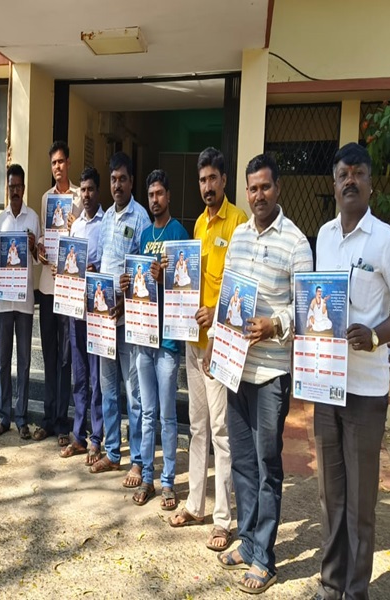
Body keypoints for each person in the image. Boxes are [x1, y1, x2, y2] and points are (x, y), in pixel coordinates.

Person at [313, 143, 390, 600]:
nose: (350, 181)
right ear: (334, 183)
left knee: (360, 503)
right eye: (343, 174)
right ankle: (330, 584)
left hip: (365, 391)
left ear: (371, 183)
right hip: (325, 386)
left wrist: (376, 335)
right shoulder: (323, 236)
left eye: (358, 173)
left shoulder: (385, 240)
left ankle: (355, 592)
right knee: (330, 497)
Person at [203, 154, 313, 594]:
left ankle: (265, 558)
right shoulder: (240, 236)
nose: (258, 195)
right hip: (235, 368)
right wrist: (215, 334)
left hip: (270, 373)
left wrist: (275, 325)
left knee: (268, 463)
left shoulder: (296, 242)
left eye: (265, 187)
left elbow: (305, 307)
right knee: (243, 461)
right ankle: (248, 542)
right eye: (252, 188)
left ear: (278, 189)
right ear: (245, 191)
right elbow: (230, 296)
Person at [172, 147, 247, 554]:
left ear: (224, 180)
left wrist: (216, 317)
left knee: (221, 430)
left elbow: (240, 288)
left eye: (212, 178)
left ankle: (223, 519)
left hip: (221, 343)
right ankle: (195, 505)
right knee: (198, 426)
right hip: (193, 341)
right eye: (202, 180)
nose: (207, 186)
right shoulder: (198, 225)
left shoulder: (239, 224)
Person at [124, 169, 189, 509]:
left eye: (160, 193)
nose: (154, 199)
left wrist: (166, 277)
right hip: (143, 336)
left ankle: (168, 483)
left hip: (167, 341)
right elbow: (138, 282)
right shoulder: (144, 235)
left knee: (167, 416)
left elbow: (187, 285)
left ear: (168, 196)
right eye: (150, 195)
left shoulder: (179, 233)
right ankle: (148, 477)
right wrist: (127, 284)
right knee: (147, 413)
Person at [88, 152, 150, 489]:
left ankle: (138, 460)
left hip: (129, 320)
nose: (117, 185)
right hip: (103, 319)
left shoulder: (140, 217)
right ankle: (113, 452)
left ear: (131, 181)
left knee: (134, 392)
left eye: (122, 179)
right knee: (108, 389)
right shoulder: (107, 217)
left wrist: (125, 303)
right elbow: (102, 263)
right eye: (113, 179)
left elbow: (143, 270)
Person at [36, 141, 81, 445]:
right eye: (53, 163)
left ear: (68, 163)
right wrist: (40, 249)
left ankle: (64, 421)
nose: (57, 167)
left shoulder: (79, 197)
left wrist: (75, 227)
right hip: (47, 286)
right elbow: (44, 235)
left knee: (65, 357)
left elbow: (83, 237)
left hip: (69, 289)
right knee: (49, 354)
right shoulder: (46, 198)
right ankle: (48, 418)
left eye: (61, 162)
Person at [0, 163, 39, 440]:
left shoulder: (33, 218)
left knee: (24, 362)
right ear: (7, 188)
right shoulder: (1, 221)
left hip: (25, 302)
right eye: (12, 187)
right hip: (4, 302)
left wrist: (33, 247)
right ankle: (4, 416)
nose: (16, 191)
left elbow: (39, 258)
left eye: (19, 186)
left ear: (24, 188)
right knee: (2, 362)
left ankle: (21, 418)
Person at [62, 167, 105, 463]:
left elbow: (108, 263)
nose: (86, 195)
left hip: (97, 310)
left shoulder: (106, 223)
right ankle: (78, 435)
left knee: (96, 376)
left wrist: (96, 269)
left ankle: (96, 438)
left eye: (90, 189)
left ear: (97, 192)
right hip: (75, 309)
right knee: (78, 375)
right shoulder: (75, 227)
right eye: (83, 191)